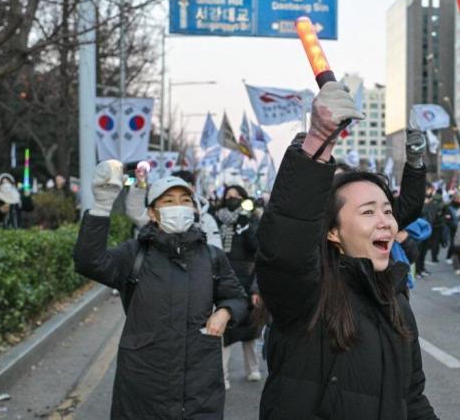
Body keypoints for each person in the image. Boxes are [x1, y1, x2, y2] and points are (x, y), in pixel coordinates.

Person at [255, 81, 437, 420]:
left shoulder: (396, 301)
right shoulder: (307, 296)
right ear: (333, 232)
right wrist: (317, 143)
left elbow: (411, 400)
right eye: (368, 212)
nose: (385, 221)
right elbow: (285, 247)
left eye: (387, 211)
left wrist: (414, 163)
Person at [73, 161, 248, 419]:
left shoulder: (212, 256)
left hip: (200, 384)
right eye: (168, 202)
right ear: (153, 213)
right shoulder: (134, 254)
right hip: (143, 383)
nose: (178, 206)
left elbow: (236, 297)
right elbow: (89, 262)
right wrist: (101, 208)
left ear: (195, 209)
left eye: (185, 200)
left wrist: (225, 312)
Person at [214, 184, 262, 389]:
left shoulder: (251, 219)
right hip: (222, 279)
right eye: (228, 196)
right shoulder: (216, 218)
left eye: (236, 196)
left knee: (249, 329)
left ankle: (252, 368)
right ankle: (222, 375)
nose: (232, 199)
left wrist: (247, 225)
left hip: (246, 278)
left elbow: (258, 250)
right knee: (222, 329)